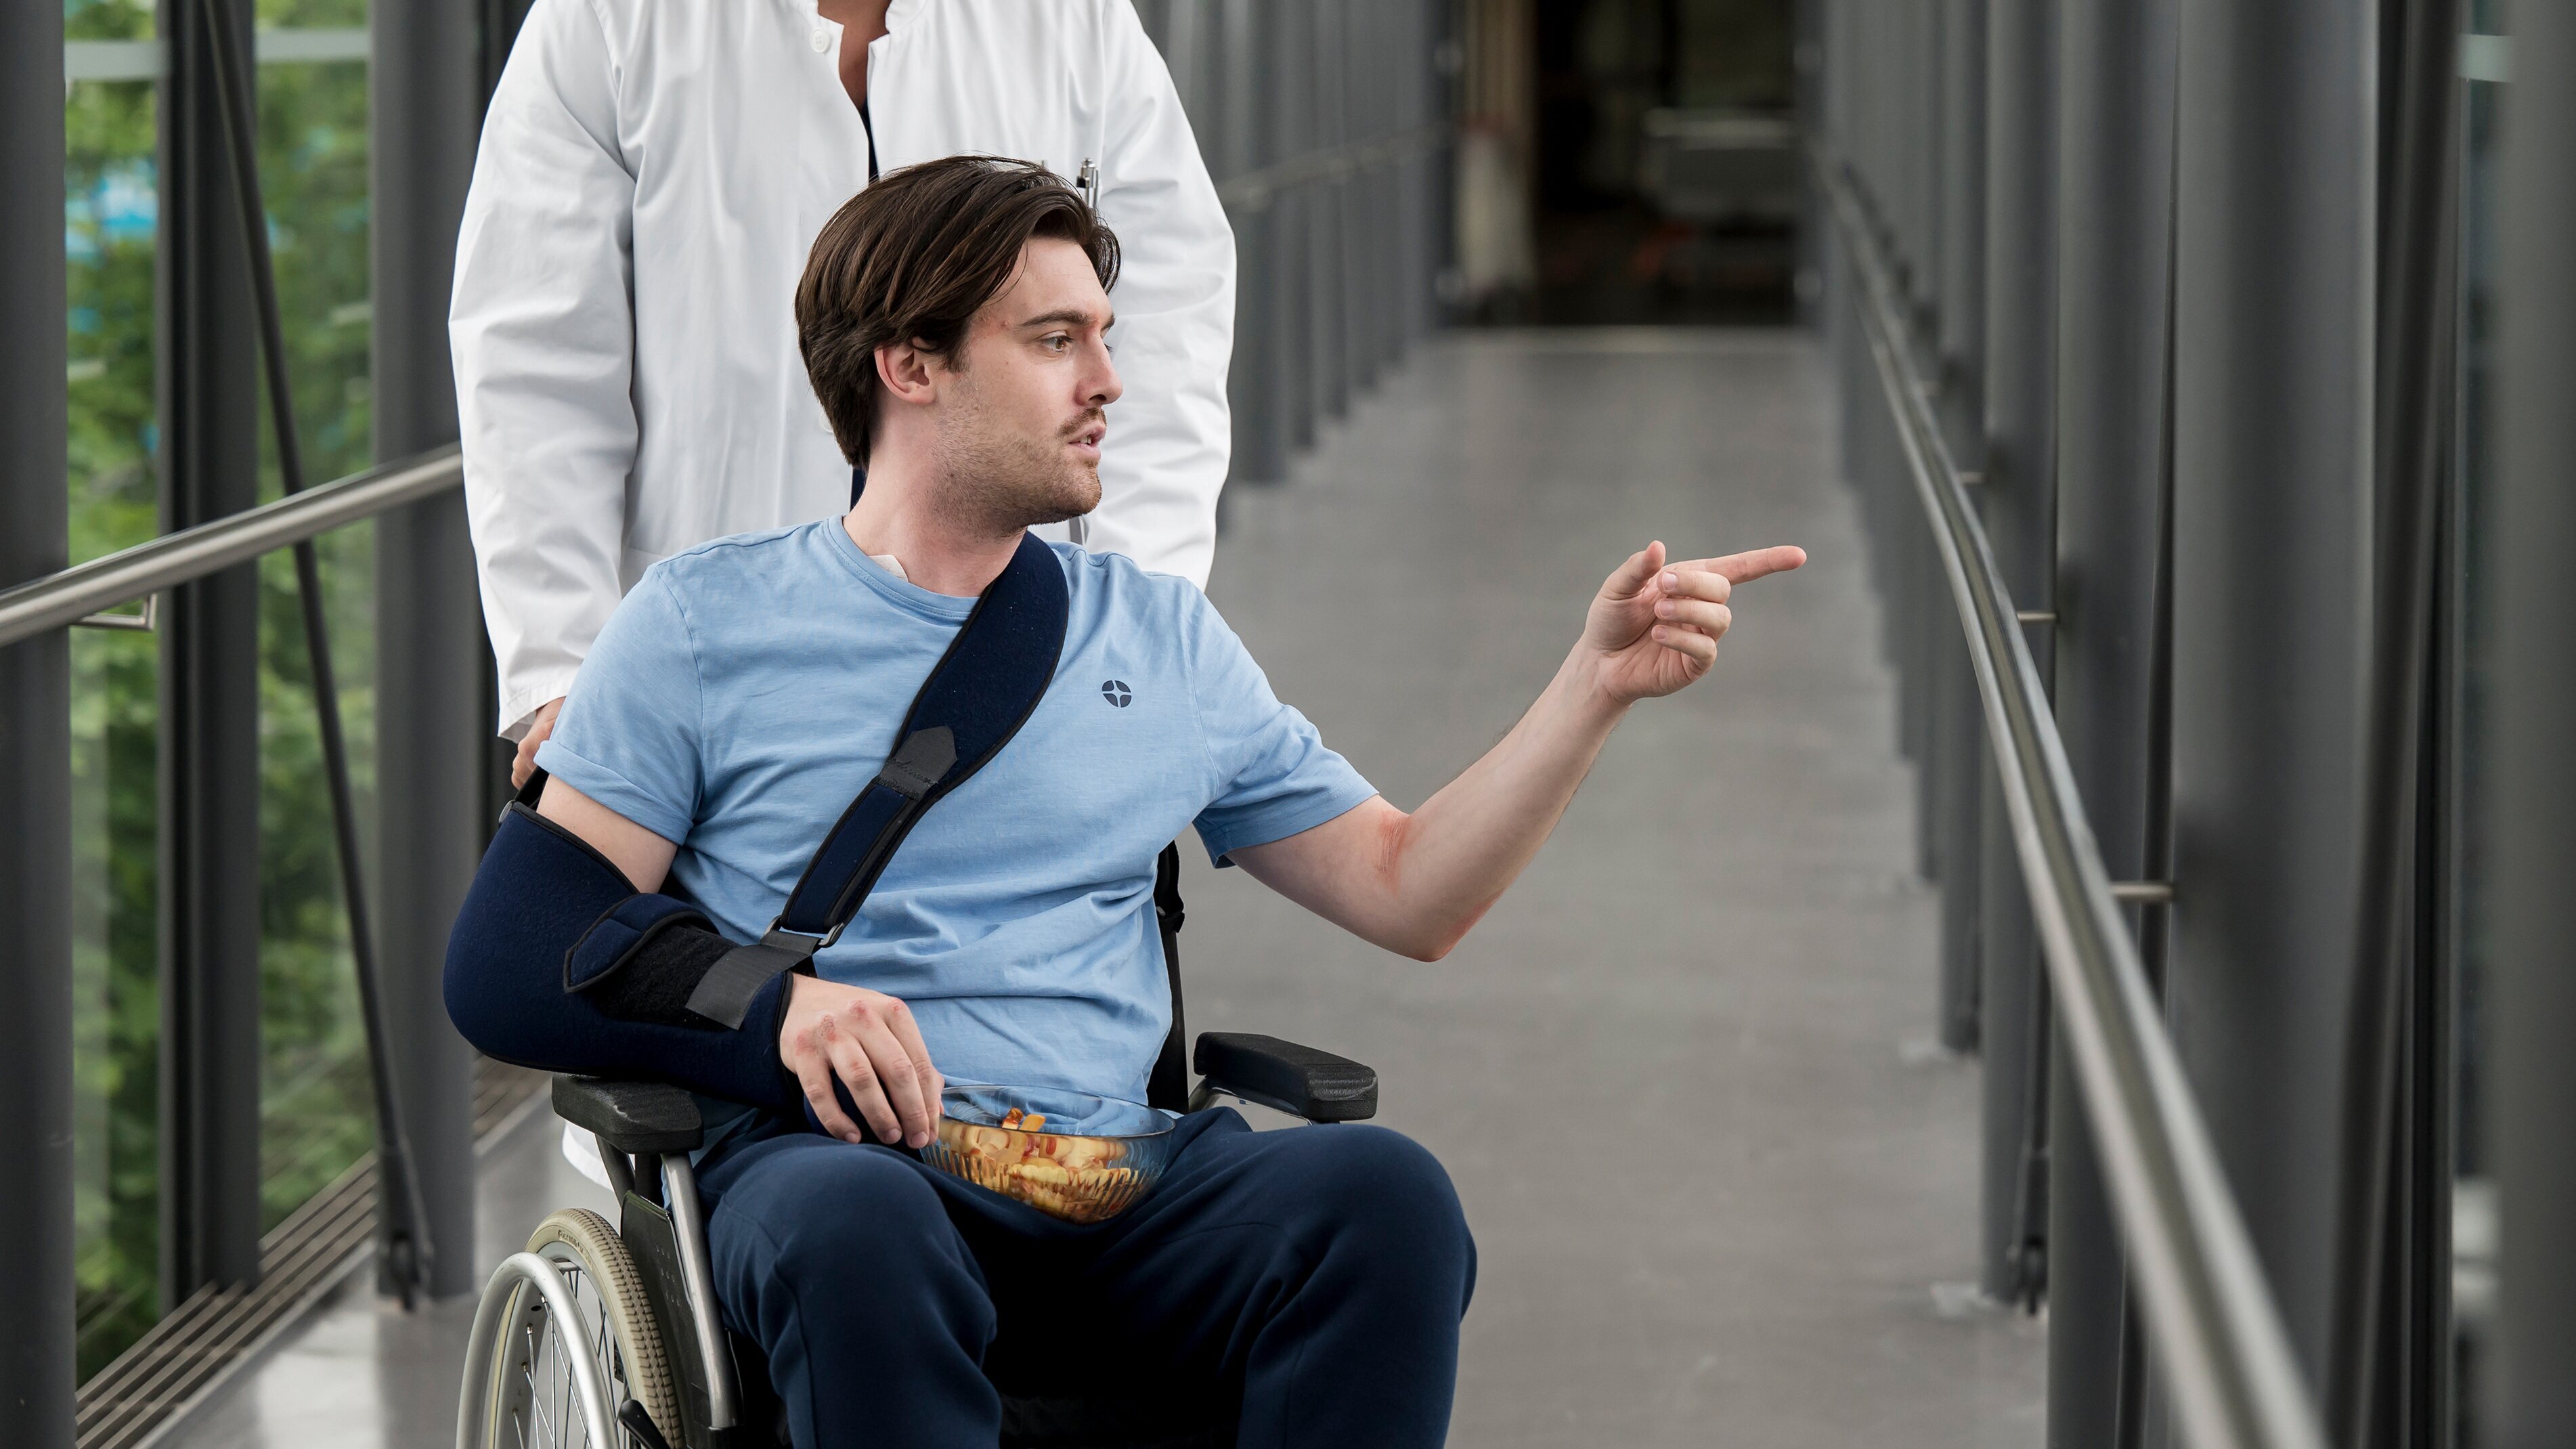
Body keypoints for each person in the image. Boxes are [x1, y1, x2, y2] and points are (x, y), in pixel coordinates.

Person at [445, 157, 1804, 1446]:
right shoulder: (703, 624)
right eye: (1054, 341)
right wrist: (779, 1008)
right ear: (909, 365)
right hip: (848, 1165)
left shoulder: (1158, 638)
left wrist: (1591, 688)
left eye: (1104, 337)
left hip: (1124, 1181)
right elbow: (514, 952)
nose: (1107, 381)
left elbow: (1409, 888)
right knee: (854, 1226)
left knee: (1384, 1197)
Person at [452, 0, 1232, 783]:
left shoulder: (1077, 18)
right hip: (701, 660)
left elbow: (1169, 336)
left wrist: (1128, 634)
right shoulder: (606, 17)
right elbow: (536, 360)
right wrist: (571, 668)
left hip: (1025, 646)